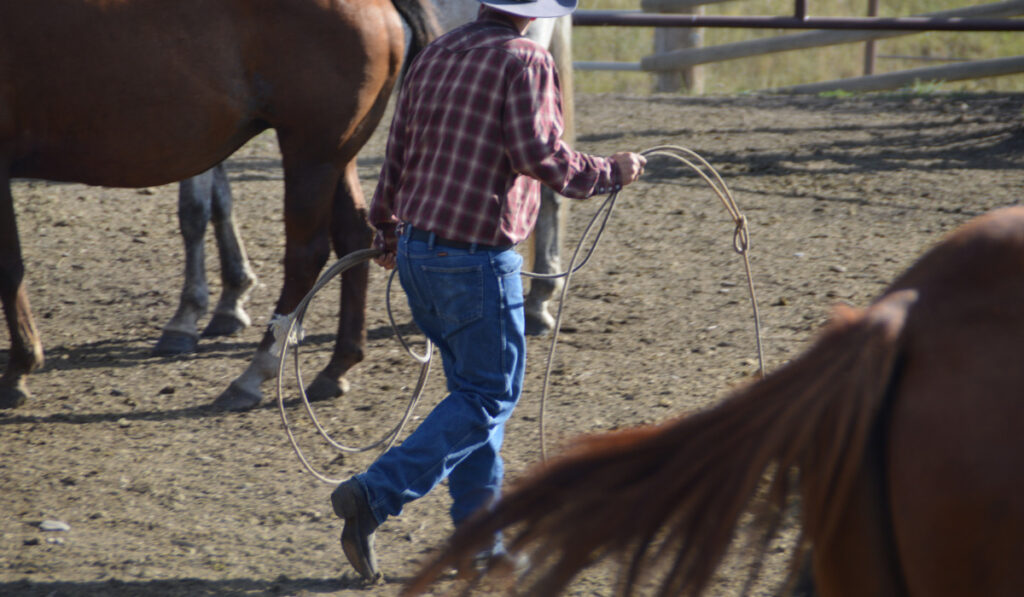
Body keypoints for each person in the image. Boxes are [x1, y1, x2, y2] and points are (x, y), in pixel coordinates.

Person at [330, 0, 646, 581]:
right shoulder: (524, 59)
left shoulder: (438, 51)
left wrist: (385, 226)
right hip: (475, 260)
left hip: (418, 254)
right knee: (487, 397)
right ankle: (375, 494)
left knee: (473, 400)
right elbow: (540, 154)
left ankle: (480, 542)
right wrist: (610, 172)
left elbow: (398, 146)